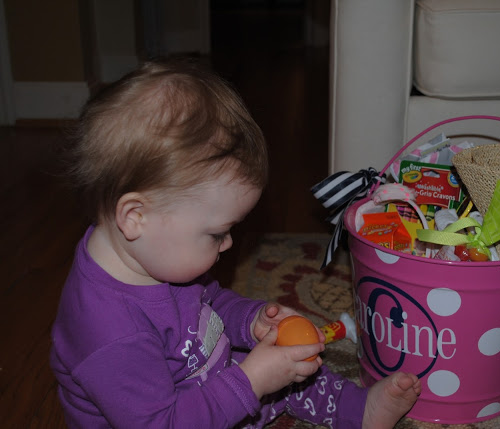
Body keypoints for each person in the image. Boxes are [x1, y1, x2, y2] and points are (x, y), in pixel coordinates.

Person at [50, 58, 421, 429]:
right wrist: (252, 381)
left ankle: (358, 409)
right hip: (174, 420)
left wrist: (250, 320)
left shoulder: (154, 254)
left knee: (287, 366)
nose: (227, 243)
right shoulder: (110, 334)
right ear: (135, 217)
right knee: (264, 373)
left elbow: (207, 305)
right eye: (216, 233)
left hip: (202, 383)